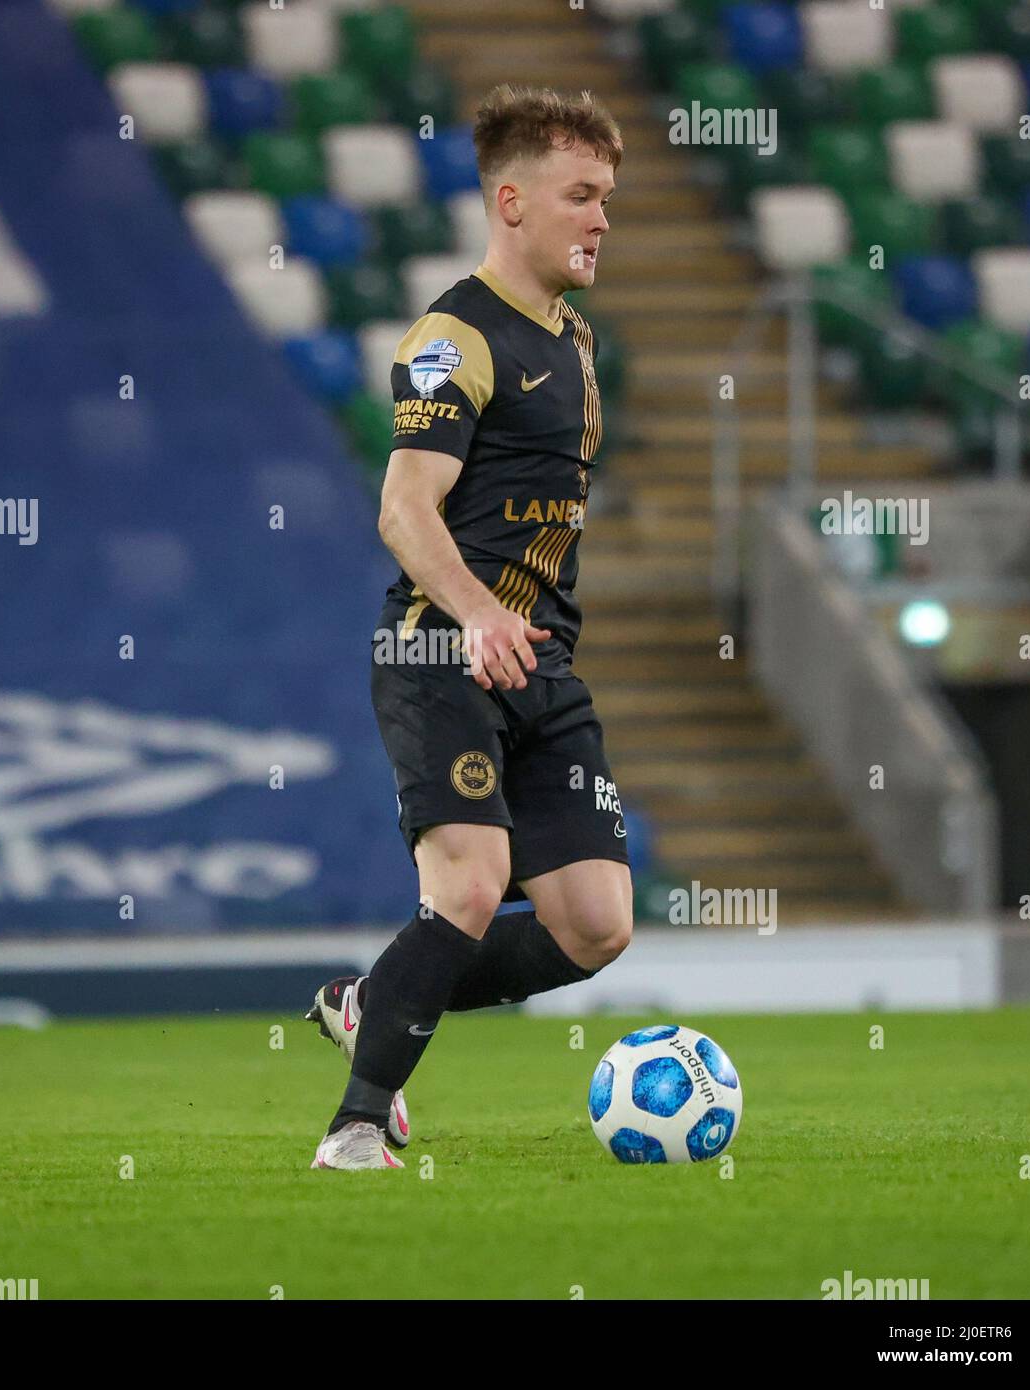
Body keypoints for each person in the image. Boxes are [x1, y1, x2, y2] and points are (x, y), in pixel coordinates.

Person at [307, 84, 632, 1170]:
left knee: (595, 925)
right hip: (437, 648)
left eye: (607, 198)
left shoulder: (575, 340)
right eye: (580, 195)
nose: (600, 219)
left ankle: (375, 999)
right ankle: (356, 1127)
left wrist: (518, 629)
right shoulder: (454, 335)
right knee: (471, 888)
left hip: (539, 663)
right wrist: (478, 611)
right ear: (510, 202)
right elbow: (404, 508)